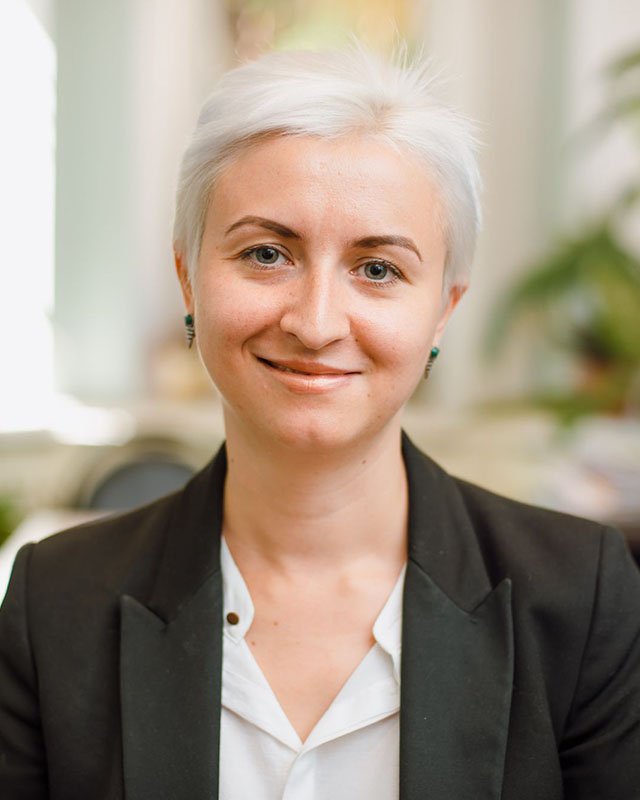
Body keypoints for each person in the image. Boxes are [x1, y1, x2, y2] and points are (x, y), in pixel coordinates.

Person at [1, 45, 639, 800]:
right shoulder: (54, 602)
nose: (315, 322)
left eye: (378, 269)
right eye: (267, 253)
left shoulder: (579, 597)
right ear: (189, 279)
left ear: (443, 309)